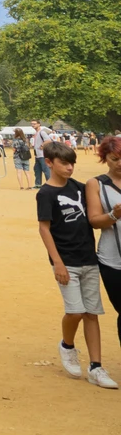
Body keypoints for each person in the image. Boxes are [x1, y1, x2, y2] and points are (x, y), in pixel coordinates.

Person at [36, 140, 116, 387]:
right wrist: (57, 262)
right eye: (63, 163)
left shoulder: (80, 188)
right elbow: (44, 229)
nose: (69, 168)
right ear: (49, 163)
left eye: (72, 163)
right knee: (75, 311)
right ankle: (67, 345)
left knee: (92, 313)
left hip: (89, 258)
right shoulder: (46, 194)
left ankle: (96, 366)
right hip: (66, 260)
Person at [83, 135, 121, 318]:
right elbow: (95, 221)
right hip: (113, 261)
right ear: (105, 158)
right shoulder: (96, 184)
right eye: (115, 159)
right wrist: (115, 215)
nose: (120, 163)